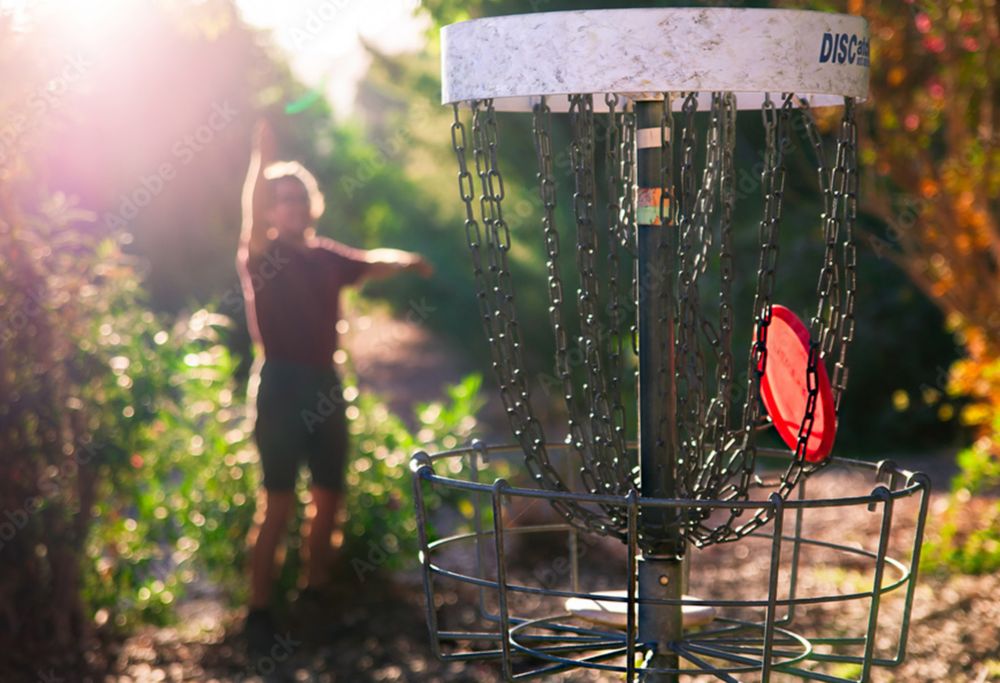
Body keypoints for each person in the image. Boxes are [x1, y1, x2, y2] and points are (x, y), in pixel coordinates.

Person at [237, 119, 432, 655]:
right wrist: (262, 157)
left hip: (325, 385)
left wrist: (410, 261)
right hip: (279, 387)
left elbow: (371, 263)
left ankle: (315, 594)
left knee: (329, 498)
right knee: (276, 503)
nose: (290, 206)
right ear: (270, 209)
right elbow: (250, 213)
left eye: (298, 197)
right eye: (280, 199)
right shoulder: (260, 255)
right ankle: (258, 612)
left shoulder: (326, 258)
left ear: (311, 204)